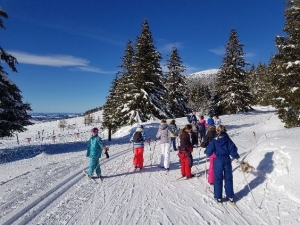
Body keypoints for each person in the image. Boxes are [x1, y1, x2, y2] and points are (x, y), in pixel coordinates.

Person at [205, 125, 240, 203]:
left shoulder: (214, 140)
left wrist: (207, 152)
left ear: (217, 131)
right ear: (225, 131)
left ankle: (218, 197)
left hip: (218, 160)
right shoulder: (227, 139)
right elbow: (232, 148)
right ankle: (230, 195)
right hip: (227, 159)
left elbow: (209, 150)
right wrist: (236, 156)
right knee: (228, 178)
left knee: (218, 178)